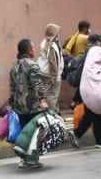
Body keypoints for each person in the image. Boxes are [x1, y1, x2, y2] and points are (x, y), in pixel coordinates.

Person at [68, 34, 101, 149]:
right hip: (94, 89)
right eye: (100, 42)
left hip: (86, 90)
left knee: (91, 115)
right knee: (98, 114)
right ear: (96, 43)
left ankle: (83, 136)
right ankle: (96, 140)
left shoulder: (86, 54)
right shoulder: (95, 55)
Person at [8, 38, 49, 169]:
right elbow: (37, 84)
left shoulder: (14, 66)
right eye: (33, 47)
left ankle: (23, 160)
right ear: (29, 50)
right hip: (32, 107)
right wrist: (42, 100)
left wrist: (12, 103)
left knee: (24, 133)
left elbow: (12, 88)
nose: (35, 50)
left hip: (19, 107)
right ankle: (32, 159)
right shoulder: (32, 65)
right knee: (34, 134)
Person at [38, 23, 64, 111]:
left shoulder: (46, 42)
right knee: (52, 95)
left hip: (44, 72)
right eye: (57, 32)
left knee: (51, 95)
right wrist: (53, 76)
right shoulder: (51, 45)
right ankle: (51, 114)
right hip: (51, 74)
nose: (58, 34)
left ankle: (55, 113)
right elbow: (52, 61)